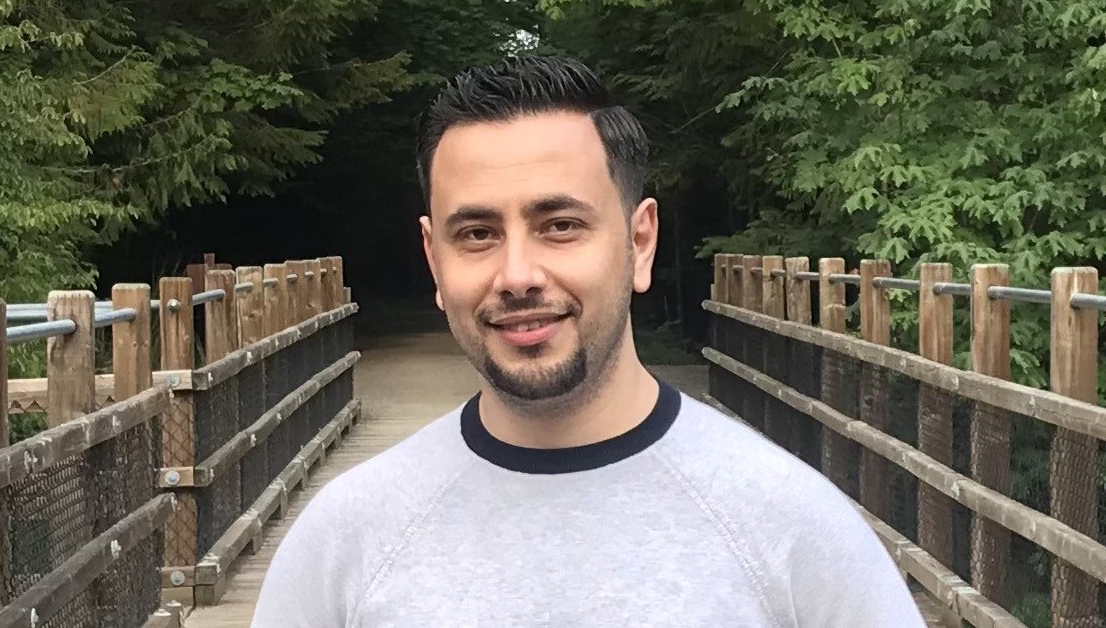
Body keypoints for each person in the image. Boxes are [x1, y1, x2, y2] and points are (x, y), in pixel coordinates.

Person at [250, 55, 926, 627]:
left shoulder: (800, 536)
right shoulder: (342, 546)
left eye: (560, 225)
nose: (517, 276)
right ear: (435, 260)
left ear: (638, 243)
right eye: (477, 234)